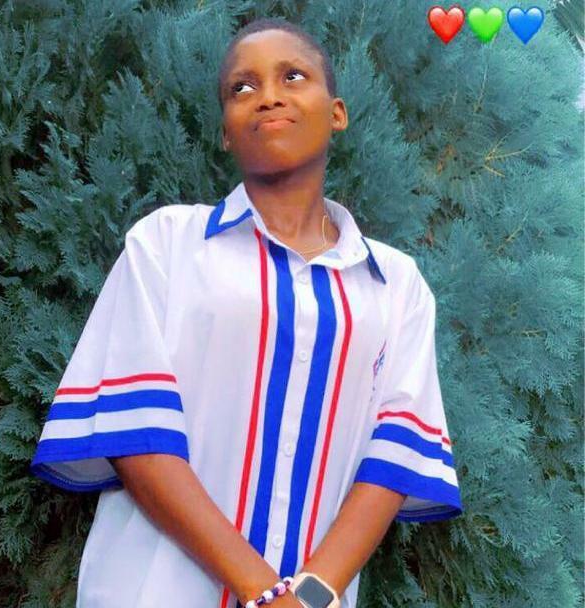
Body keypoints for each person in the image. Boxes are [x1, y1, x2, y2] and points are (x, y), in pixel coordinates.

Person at [30, 16, 463, 608]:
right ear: (226, 134)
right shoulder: (166, 244)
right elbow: (139, 436)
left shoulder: (397, 284)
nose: (268, 96)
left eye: (293, 76)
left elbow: (394, 456)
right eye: (243, 87)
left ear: (337, 113)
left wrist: (308, 597)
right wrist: (264, 592)